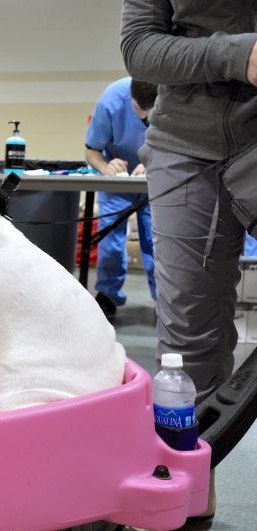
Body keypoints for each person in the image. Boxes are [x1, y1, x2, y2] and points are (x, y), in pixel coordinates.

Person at [122, 0, 257, 519]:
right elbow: (139, 47)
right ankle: (190, 494)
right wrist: (240, 55)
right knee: (187, 342)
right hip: (186, 143)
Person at [85, 77, 158, 317]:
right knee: (111, 241)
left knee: (157, 242)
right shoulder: (112, 100)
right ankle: (107, 295)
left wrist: (154, 162)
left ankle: (165, 299)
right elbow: (91, 150)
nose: (144, 117)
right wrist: (106, 168)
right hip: (118, 180)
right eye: (138, 110)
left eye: (150, 112)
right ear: (130, 97)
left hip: (156, 180)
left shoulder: (172, 96)